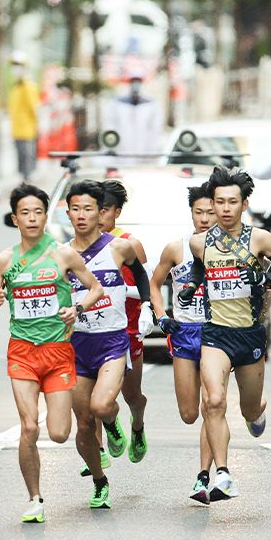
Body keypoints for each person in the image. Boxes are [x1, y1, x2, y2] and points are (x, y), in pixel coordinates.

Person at [0, 183, 102, 523]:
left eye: (38, 212)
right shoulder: (4, 260)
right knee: (29, 427)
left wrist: (77, 308)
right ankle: (34, 498)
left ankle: (98, 473)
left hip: (58, 352)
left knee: (60, 432)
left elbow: (95, 288)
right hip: (22, 352)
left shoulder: (63, 254)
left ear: (46, 216)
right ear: (14, 219)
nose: (31, 218)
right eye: (24, 213)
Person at [177, 168, 271, 502]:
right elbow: (200, 271)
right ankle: (223, 473)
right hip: (216, 335)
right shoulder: (199, 242)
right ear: (212, 204)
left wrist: (265, 279)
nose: (226, 208)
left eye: (233, 202)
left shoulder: (260, 239)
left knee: (246, 408)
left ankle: (256, 411)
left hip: (250, 336)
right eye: (219, 202)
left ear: (244, 204)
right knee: (213, 401)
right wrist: (190, 287)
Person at [62, 180, 150, 509]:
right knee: (83, 424)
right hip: (75, 346)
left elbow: (141, 275)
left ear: (101, 212)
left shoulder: (119, 248)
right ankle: (100, 481)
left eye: (89, 209)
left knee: (101, 407)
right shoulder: (61, 254)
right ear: (68, 212)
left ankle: (113, 424)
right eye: (76, 209)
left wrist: (148, 308)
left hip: (113, 342)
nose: (82, 215)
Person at [149, 182, 215, 502]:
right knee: (189, 413)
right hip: (185, 333)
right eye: (198, 212)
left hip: (218, 333)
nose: (204, 218)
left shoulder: (229, 249)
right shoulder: (176, 249)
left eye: (211, 212)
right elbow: (155, 284)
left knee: (211, 405)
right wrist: (162, 316)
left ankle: (203, 477)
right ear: (191, 213)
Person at [98, 179, 150, 464]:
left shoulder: (129, 244)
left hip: (127, 332)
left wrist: (147, 309)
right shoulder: (78, 246)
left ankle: (138, 425)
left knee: (132, 396)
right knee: (92, 400)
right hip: (92, 331)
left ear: (116, 212)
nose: (98, 216)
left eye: (105, 210)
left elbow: (145, 283)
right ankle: (97, 450)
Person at [102, 67, 163, 157]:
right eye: (133, 81)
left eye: (138, 81)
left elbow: (155, 130)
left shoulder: (152, 105)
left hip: (145, 153)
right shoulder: (116, 104)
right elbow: (110, 127)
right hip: (121, 153)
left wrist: (152, 151)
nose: (135, 84)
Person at [8, 52, 40, 181]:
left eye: (18, 65)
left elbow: (34, 108)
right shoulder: (16, 86)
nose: (15, 68)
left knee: (27, 157)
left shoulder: (28, 86)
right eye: (14, 65)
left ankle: (28, 182)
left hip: (27, 129)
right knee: (20, 157)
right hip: (17, 128)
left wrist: (37, 125)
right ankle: (24, 180)